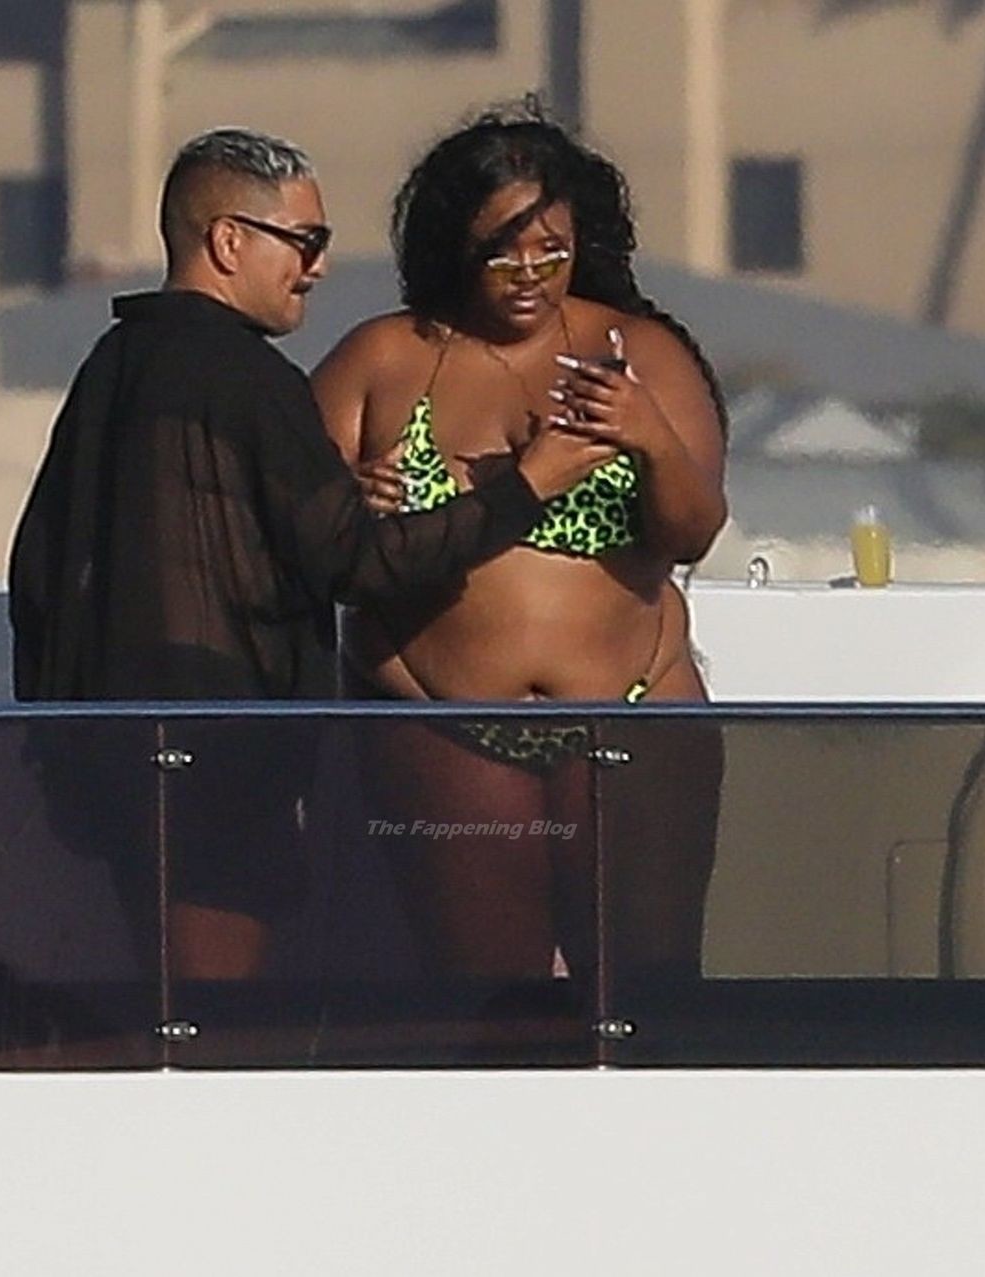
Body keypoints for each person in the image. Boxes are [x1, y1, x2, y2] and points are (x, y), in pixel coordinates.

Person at [7, 128, 615, 980]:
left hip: (113, 771)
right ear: (228, 242)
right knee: (217, 1024)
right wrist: (527, 486)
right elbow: (360, 566)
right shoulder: (247, 379)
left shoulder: (118, 364)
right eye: (305, 240)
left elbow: (56, 564)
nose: (318, 267)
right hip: (215, 773)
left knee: (181, 1010)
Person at [311, 104, 728, 986]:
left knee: (653, 995)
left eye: (553, 251)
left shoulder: (641, 352)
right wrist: (352, 498)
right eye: (502, 252)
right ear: (455, 245)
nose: (530, 274)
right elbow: (301, 533)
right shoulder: (383, 357)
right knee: (489, 1004)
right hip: (444, 726)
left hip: (632, 710)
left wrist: (649, 437)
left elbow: (693, 531)